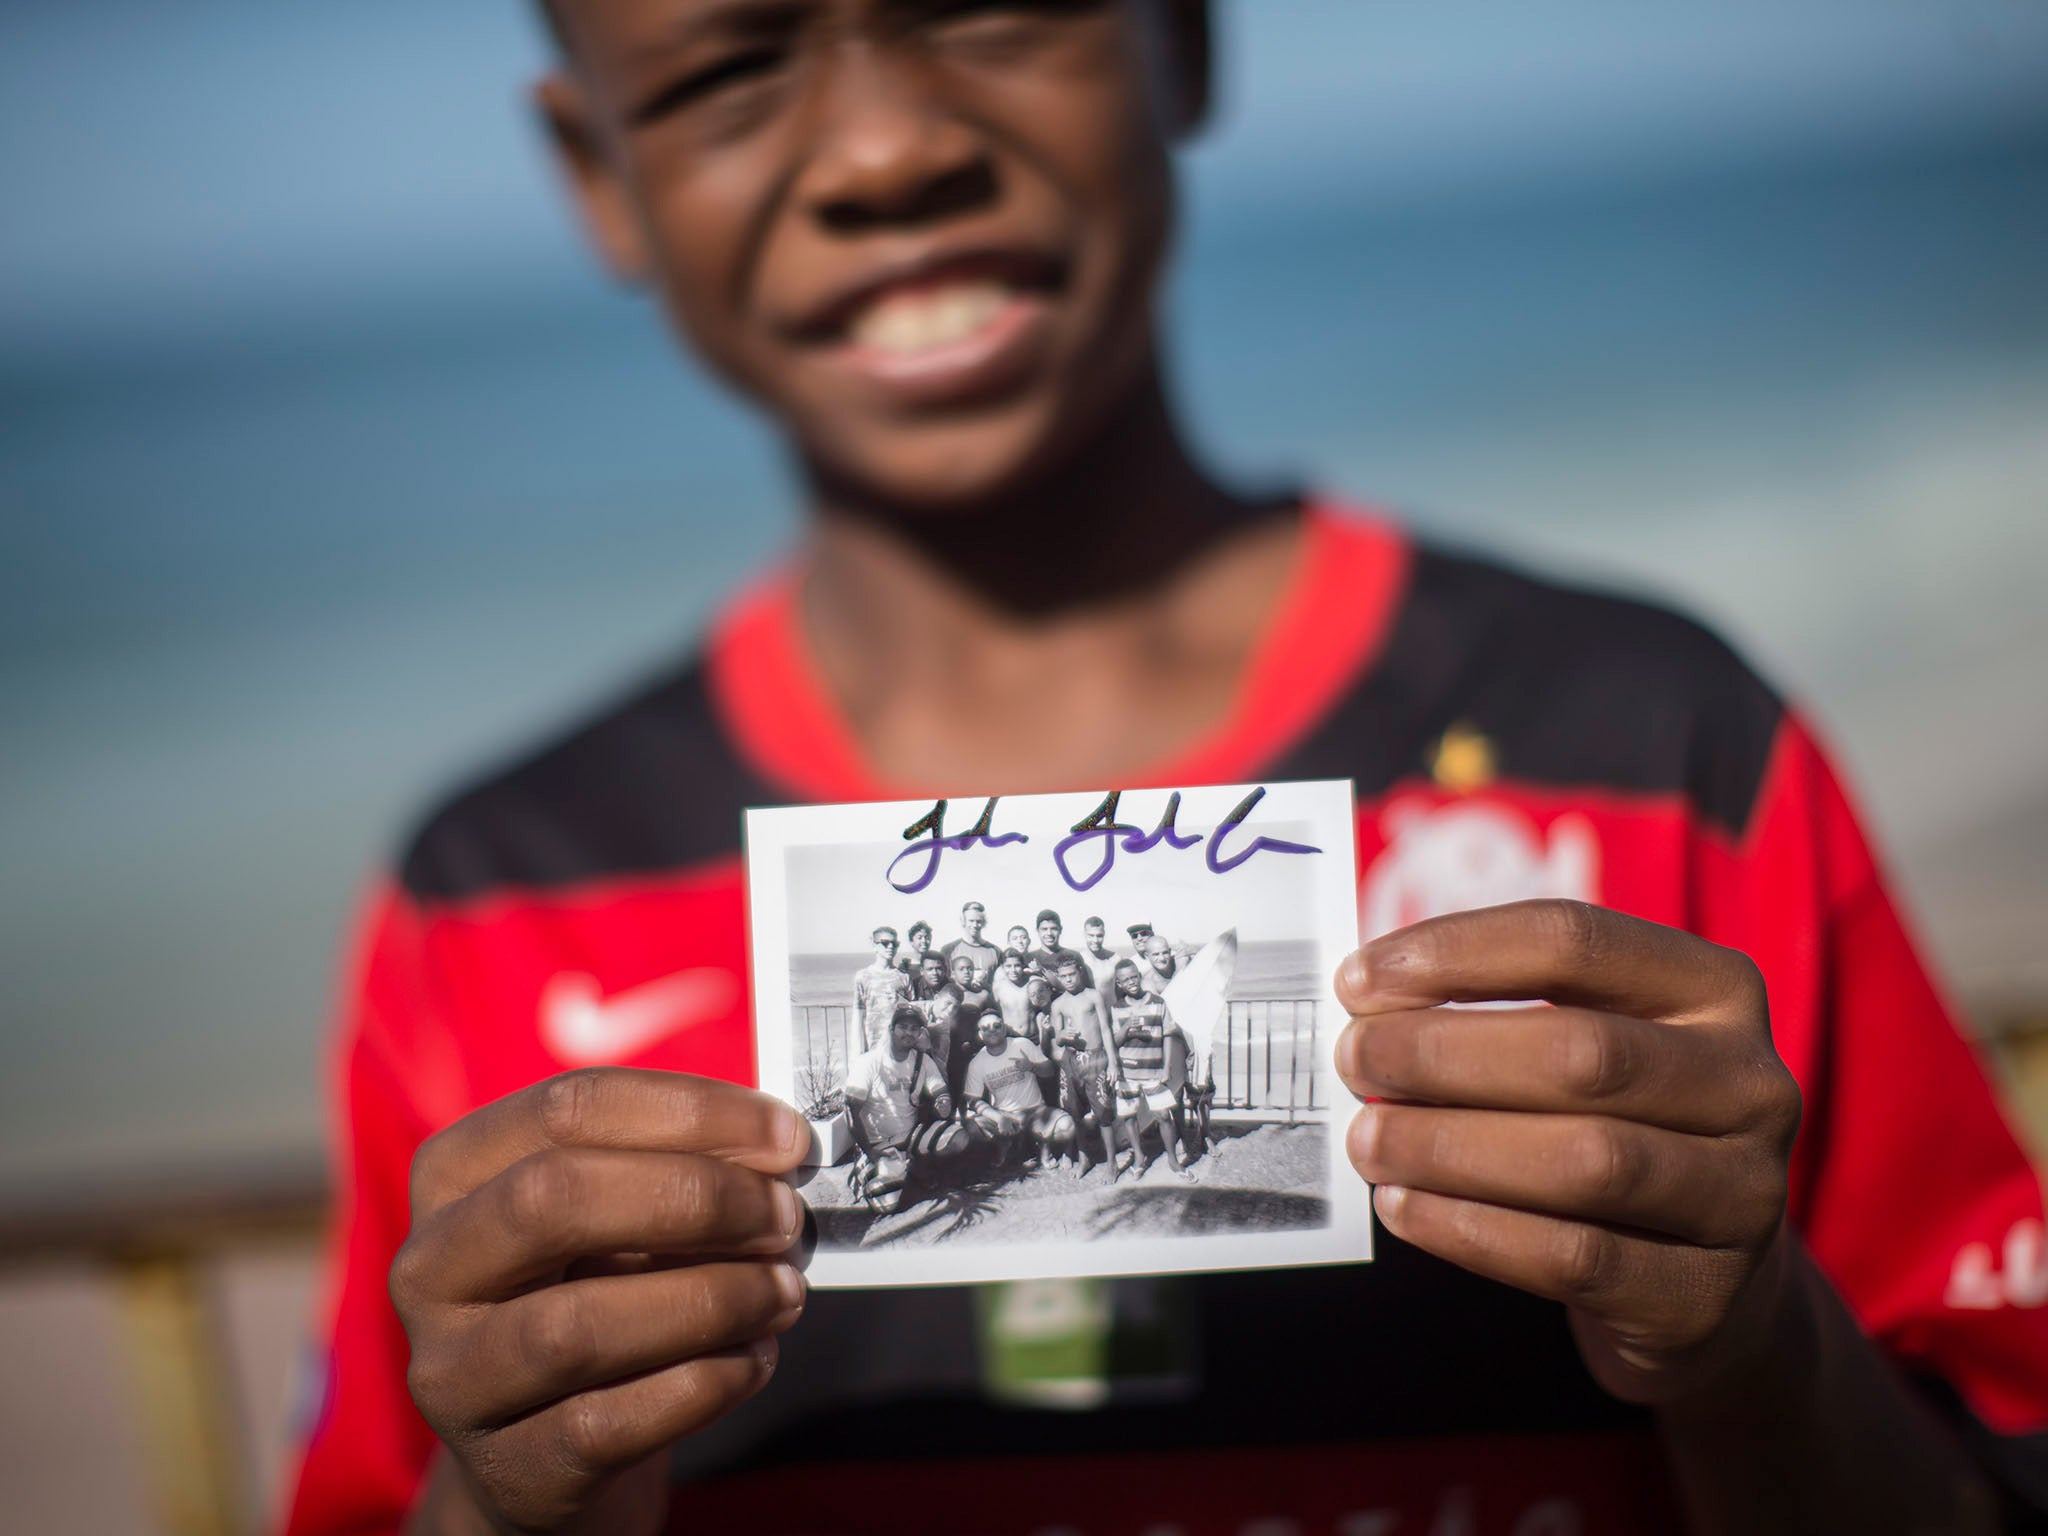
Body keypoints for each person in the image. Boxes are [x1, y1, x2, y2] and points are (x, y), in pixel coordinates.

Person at [282, 4, 2047, 1533]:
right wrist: (512, 1497)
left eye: (992, 11)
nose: (888, 149)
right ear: (597, 171)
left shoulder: (1657, 748)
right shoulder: (494, 898)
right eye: (725, 72)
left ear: (1181, 34)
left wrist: (1755, 1353)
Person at [841, 1005, 968, 1214]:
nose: (908, 1033)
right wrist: (870, 1151)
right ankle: (871, 1170)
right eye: (903, 1027)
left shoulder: (922, 1060)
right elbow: (850, 1111)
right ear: (891, 1029)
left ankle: (915, 1165)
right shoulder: (869, 1062)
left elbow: (941, 1091)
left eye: (914, 1029)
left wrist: (943, 1102)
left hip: (911, 1138)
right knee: (887, 1204)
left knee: (959, 1138)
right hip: (878, 1144)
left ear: (920, 1033)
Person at [1109, 958, 1196, 1180]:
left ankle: (1173, 1160)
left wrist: (1166, 1067)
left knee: (1163, 1115)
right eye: (1125, 980)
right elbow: (1114, 1042)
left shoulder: (1158, 1002)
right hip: (1126, 1073)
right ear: (1119, 984)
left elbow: (1168, 1035)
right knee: (1129, 1116)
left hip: (1154, 1070)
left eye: (1134, 976)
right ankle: (1139, 1157)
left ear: (1139, 976)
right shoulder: (1116, 1008)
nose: (1131, 982)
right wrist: (1127, 1027)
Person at [961, 1008, 1075, 1172]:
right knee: (972, 1127)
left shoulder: (1021, 1044)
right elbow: (972, 1100)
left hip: (1036, 1112)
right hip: (1005, 1115)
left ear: (1004, 1028)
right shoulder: (977, 1062)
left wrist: (1031, 1067)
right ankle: (1006, 1143)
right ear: (980, 1035)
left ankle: (1042, 1144)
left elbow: (1049, 1070)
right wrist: (998, 1118)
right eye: (985, 1028)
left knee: (1067, 1127)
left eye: (996, 1026)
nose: (992, 1030)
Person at [1049, 956, 1122, 1178]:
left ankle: (1112, 1163)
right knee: (1074, 1113)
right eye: (1063, 976)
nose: (1068, 980)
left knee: (1104, 1112)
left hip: (1096, 1057)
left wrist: (1112, 1063)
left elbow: (1106, 1029)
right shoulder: (1058, 1003)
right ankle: (1084, 1157)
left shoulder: (1093, 996)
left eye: (1071, 974)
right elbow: (1057, 1040)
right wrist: (1061, 1036)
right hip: (1071, 1060)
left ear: (1079, 972)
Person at [851, 925, 907, 1058]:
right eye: (885, 943)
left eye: (894, 944)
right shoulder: (863, 976)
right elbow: (858, 1016)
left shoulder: (904, 977)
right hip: (873, 1047)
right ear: (874, 945)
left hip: (900, 1047)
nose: (890, 947)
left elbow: (910, 1014)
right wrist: (858, 1051)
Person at [940, 900, 1000, 990]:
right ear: (963, 921)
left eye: (978, 921)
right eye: (971, 921)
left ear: (984, 923)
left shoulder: (995, 951)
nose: (975, 925)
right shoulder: (948, 950)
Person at [1027, 908, 1091, 989]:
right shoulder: (1029, 958)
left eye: (1053, 929)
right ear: (1037, 931)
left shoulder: (1074, 956)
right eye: (1044, 929)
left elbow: (1086, 989)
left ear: (1060, 930)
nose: (1049, 933)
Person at [895, 919, 935, 987]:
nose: (924, 941)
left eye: (927, 937)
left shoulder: (936, 965)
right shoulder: (905, 967)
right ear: (911, 942)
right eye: (919, 938)